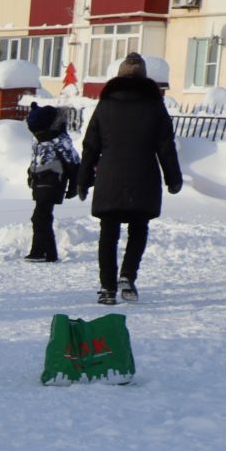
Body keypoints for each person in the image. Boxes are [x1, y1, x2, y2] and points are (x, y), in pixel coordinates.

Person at [75, 52, 182, 305]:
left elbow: (91, 145)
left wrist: (82, 179)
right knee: (138, 229)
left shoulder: (106, 104)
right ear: (145, 77)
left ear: (119, 76)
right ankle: (127, 277)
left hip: (110, 177)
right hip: (143, 177)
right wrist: (173, 178)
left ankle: (107, 288)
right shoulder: (154, 106)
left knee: (108, 233)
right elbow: (166, 146)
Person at [24, 103, 80, 263]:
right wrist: (30, 174)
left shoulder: (59, 138)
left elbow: (73, 162)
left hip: (53, 179)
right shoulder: (38, 137)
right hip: (39, 179)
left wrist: (74, 185)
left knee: (40, 216)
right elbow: (35, 158)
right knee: (42, 217)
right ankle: (49, 253)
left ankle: (39, 252)